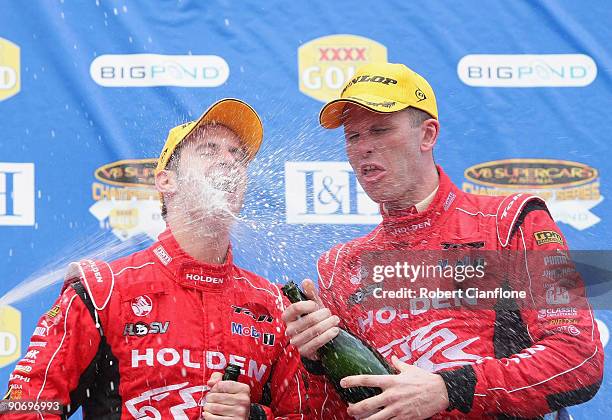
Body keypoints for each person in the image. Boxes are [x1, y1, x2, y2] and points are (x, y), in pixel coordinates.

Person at [282, 63, 603, 419]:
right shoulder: (341, 266)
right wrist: (314, 362)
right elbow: (333, 409)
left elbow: (577, 357)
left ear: (428, 135)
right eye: (353, 137)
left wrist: (451, 389)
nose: (364, 149)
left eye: (380, 130)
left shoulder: (508, 221)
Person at [3, 98, 308, 419]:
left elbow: (304, 413)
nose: (228, 162)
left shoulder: (273, 305)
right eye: (209, 150)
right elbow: (25, 407)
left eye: (237, 155)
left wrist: (254, 416)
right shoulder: (103, 290)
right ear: (166, 180)